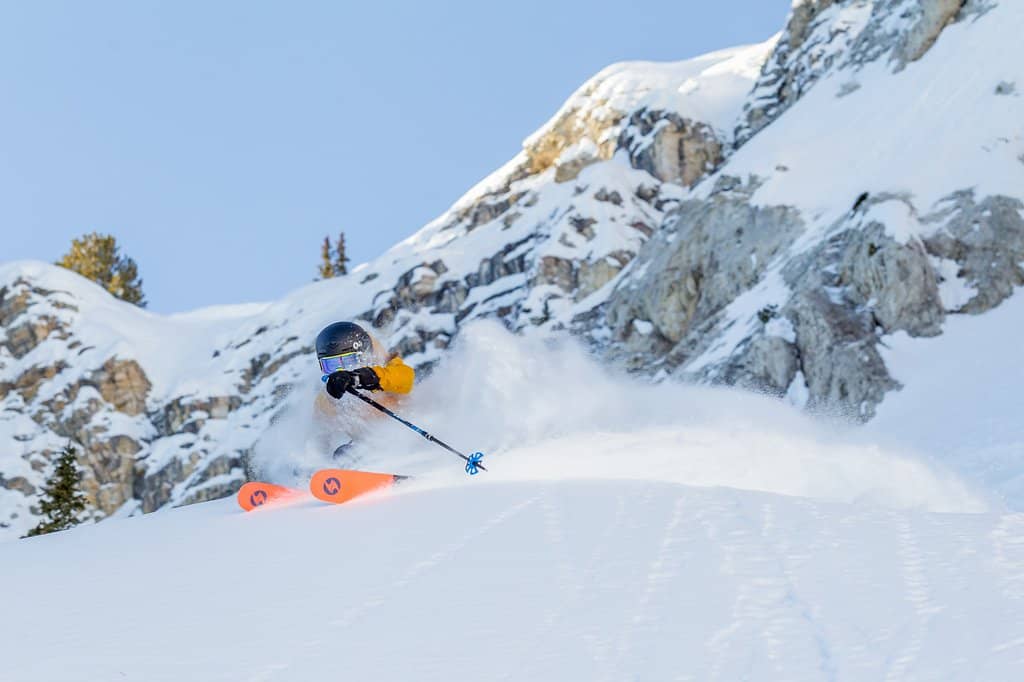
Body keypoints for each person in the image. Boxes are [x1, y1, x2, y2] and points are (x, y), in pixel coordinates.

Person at [314, 321, 414, 455]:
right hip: (369, 448)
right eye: (331, 365)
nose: (340, 370)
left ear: (365, 355)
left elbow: (405, 378)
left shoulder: (387, 368)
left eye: (349, 361)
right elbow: (321, 431)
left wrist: (363, 377)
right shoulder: (328, 397)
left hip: (408, 437)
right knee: (344, 454)